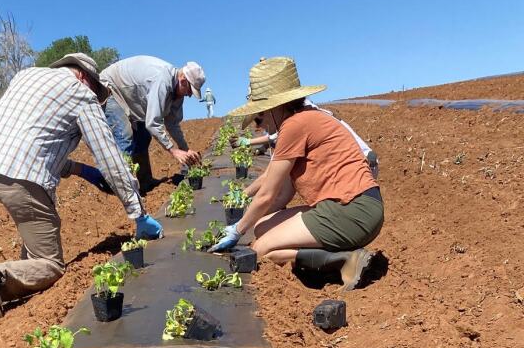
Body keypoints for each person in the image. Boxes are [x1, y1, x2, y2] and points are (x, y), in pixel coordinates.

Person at [0, 53, 163, 317]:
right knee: (51, 264)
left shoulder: (27, 75)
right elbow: (109, 157)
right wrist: (138, 213)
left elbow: (33, 142)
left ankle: (15, 277)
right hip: (20, 178)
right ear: (83, 76)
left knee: (36, 231)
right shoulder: (81, 94)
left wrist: (81, 170)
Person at [210, 57, 385, 290]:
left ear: (274, 107)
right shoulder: (303, 119)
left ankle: (342, 260)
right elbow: (282, 196)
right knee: (262, 227)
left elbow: (268, 194)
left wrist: (238, 229)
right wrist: (253, 223)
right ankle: (334, 252)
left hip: (353, 211)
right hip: (348, 206)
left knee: (260, 249)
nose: (260, 126)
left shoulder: (295, 125)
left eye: (260, 116)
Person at [100, 56, 206, 191]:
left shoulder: (177, 93)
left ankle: (144, 181)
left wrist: (185, 149)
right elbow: (152, 123)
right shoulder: (162, 80)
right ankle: (118, 188)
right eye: (190, 90)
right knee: (124, 135)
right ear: (183, 80)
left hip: (130, 98)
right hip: (110, 89)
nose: (189, 95)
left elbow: (172, 124)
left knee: (144, 136)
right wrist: (173, 150)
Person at [242, 106, 379, 178]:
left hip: (360, 167)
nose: (258, 127)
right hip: (354, 167)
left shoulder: (299, 119)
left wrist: (248, 141)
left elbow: (277, 138)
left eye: (259, 120)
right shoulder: (296, 114)